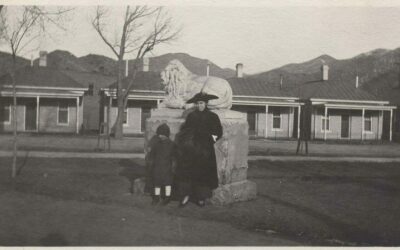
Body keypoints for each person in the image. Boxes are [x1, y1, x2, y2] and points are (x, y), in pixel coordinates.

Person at [175, 92, 223, 207]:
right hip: (191, 150)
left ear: (206, 103)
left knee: (203, 174)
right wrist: (187, 142)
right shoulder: (191, 116)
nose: (199, 105)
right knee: (188, 173)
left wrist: (210, 140)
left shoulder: (213, 117)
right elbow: (185, 131)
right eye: (197, 103)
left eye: (201, 103)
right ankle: (185, 196)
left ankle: (201, 198)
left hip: (205, 151)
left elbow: (218, 132)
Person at [145, 123, 176, 206]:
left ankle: (167, 197)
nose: (160, 136)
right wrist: (151, 160)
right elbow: (152, 154)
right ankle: (156, 197)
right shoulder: (157, 144)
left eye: (162, 134)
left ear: (166, 135)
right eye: (159, 134)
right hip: (157, 166)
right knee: (157, 182)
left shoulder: (172, 144)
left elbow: (174, 156)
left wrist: (173, 166)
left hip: (167, 167)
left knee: (167, 183)